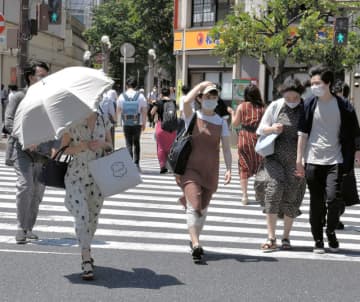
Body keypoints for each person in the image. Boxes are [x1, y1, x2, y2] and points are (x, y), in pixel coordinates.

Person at [296, 65, 360, 254]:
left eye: (318, 83)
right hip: (313, 160)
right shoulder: (308, 104)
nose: (314, 86)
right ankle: (318, 240)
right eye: (312, 83)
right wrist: (299, 159)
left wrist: (357, 152)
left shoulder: (343, 105)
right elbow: (302, 133)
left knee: (333, 200)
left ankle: (330, 230)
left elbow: (355, 131)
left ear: (328, 83)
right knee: (316, 202)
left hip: (336, 160)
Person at [177, 81, 232, 262]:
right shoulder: (192, 116)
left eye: (214, 97)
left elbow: (225, 148)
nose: (211, 100)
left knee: (202, 208)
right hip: (190, 169)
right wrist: (201, 86)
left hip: (210, 170)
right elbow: (185, 102)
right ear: (200, 98)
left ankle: (194, 240)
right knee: (194, 205)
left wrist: (229, 169)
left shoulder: (221, 122)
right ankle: (195, 243)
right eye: (207, 96)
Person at [4, 60, 57, 244]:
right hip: (22, 150)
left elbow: (55, 124)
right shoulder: (18, 97)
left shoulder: (49, 99)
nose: (44, 79)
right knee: (25, 186)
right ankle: (20, 227)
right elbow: (8, 123)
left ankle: (28, 228)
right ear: (30, 77)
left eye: (46, 76)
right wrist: (26, 140)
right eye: (41, 76)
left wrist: (55, 146)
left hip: (43, 152)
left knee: (38, 192)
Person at [60, 110, 113, 280]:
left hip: (98, 176)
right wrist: (82, 147)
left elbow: (110, 146)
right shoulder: (71, 121)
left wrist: (102, 144)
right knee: (82, 215)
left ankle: (87, 248)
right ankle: (85, 258)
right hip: (76, 175)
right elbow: (64, 150)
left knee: (92, 218)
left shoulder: (103, 119)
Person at [256, 77, 306, 252]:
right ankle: (271, 237)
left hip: (297, 160)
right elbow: (260, 129)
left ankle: (286, 237)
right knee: (273, 190)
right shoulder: (276, 106)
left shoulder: (306, 108)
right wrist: (272, 129)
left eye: (295, 98)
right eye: (288, 98)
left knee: (292, 197)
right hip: (274, 157)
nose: (291, 101)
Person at [227, 84, 265, 205]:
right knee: (261, 166)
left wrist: (232, 113)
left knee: (243, 166)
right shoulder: (262, 108)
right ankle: (260, 193)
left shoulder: (242, 106)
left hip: (244, 138)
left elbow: (234, 123)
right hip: (258, 139)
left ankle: (244, 196)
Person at [117, 77, 147, 171]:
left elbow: (118, 110)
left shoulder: (122, 96)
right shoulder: (141, 96)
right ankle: (136, 164)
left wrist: (118, 122)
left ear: (126, 85)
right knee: (136, 142)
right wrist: (144, 123)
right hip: (137, 122)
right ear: (136, 86)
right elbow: (144, 111)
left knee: (128, 143)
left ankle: (129, 164)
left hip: (126, 122)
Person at [151, 87, 178, 173]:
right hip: (172, 128)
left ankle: (163, 167)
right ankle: (170, 166)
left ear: (161, 94)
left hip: (161, 127)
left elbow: (152, 112)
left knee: (161, 148)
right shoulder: (173, 102)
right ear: (169, 94)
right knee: (171, 148)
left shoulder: (159, 102)